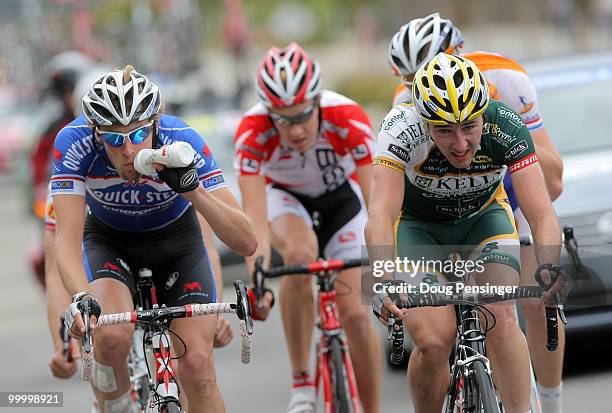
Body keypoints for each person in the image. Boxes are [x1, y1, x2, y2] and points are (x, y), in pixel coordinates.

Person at [367, 53, 564, 413]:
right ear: (425, 123)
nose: (460, 144)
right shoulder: (400, 127)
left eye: (469, 127)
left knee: (501, 315)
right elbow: (381, 212)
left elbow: (541, 213)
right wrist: (383, 280)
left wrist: (548, 268)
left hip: (485, 219)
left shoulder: (505, 124)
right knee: (434, 344)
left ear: (483, 115)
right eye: (444, 130)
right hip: (419, 228)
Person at [53, 65, 257, 413]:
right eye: (115, 139)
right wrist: (80, 299)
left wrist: (194, 192)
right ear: (98, 134)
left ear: (155, 125)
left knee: (196, 368)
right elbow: (66, 240)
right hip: (110, 243)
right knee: (112, 339)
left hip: (178, 243)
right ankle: (114, 405)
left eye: (138, 135)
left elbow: (246, 242)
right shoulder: (74, 143)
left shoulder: (182, 139)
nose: (129, 150)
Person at [235, 43, 381, 413]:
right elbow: (254, 225)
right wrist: (258, 282)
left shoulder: (347, 116)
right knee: (299, 257)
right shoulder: (251, 131)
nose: (295, 129)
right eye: (282, 119)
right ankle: (302, 382)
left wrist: (387, 265)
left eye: (302, 116)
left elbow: (376, 203)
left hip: (341, 201)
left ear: (317, 102)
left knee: (355, 313)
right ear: (269, 114)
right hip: (285, 199)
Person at [29, 51, 93, 287]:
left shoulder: (112, 129)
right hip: (68, 200)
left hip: (105, 209)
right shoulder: (52, 129)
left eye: (71, 90)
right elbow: (38, 168)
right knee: (47, 253)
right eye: (63, 93)